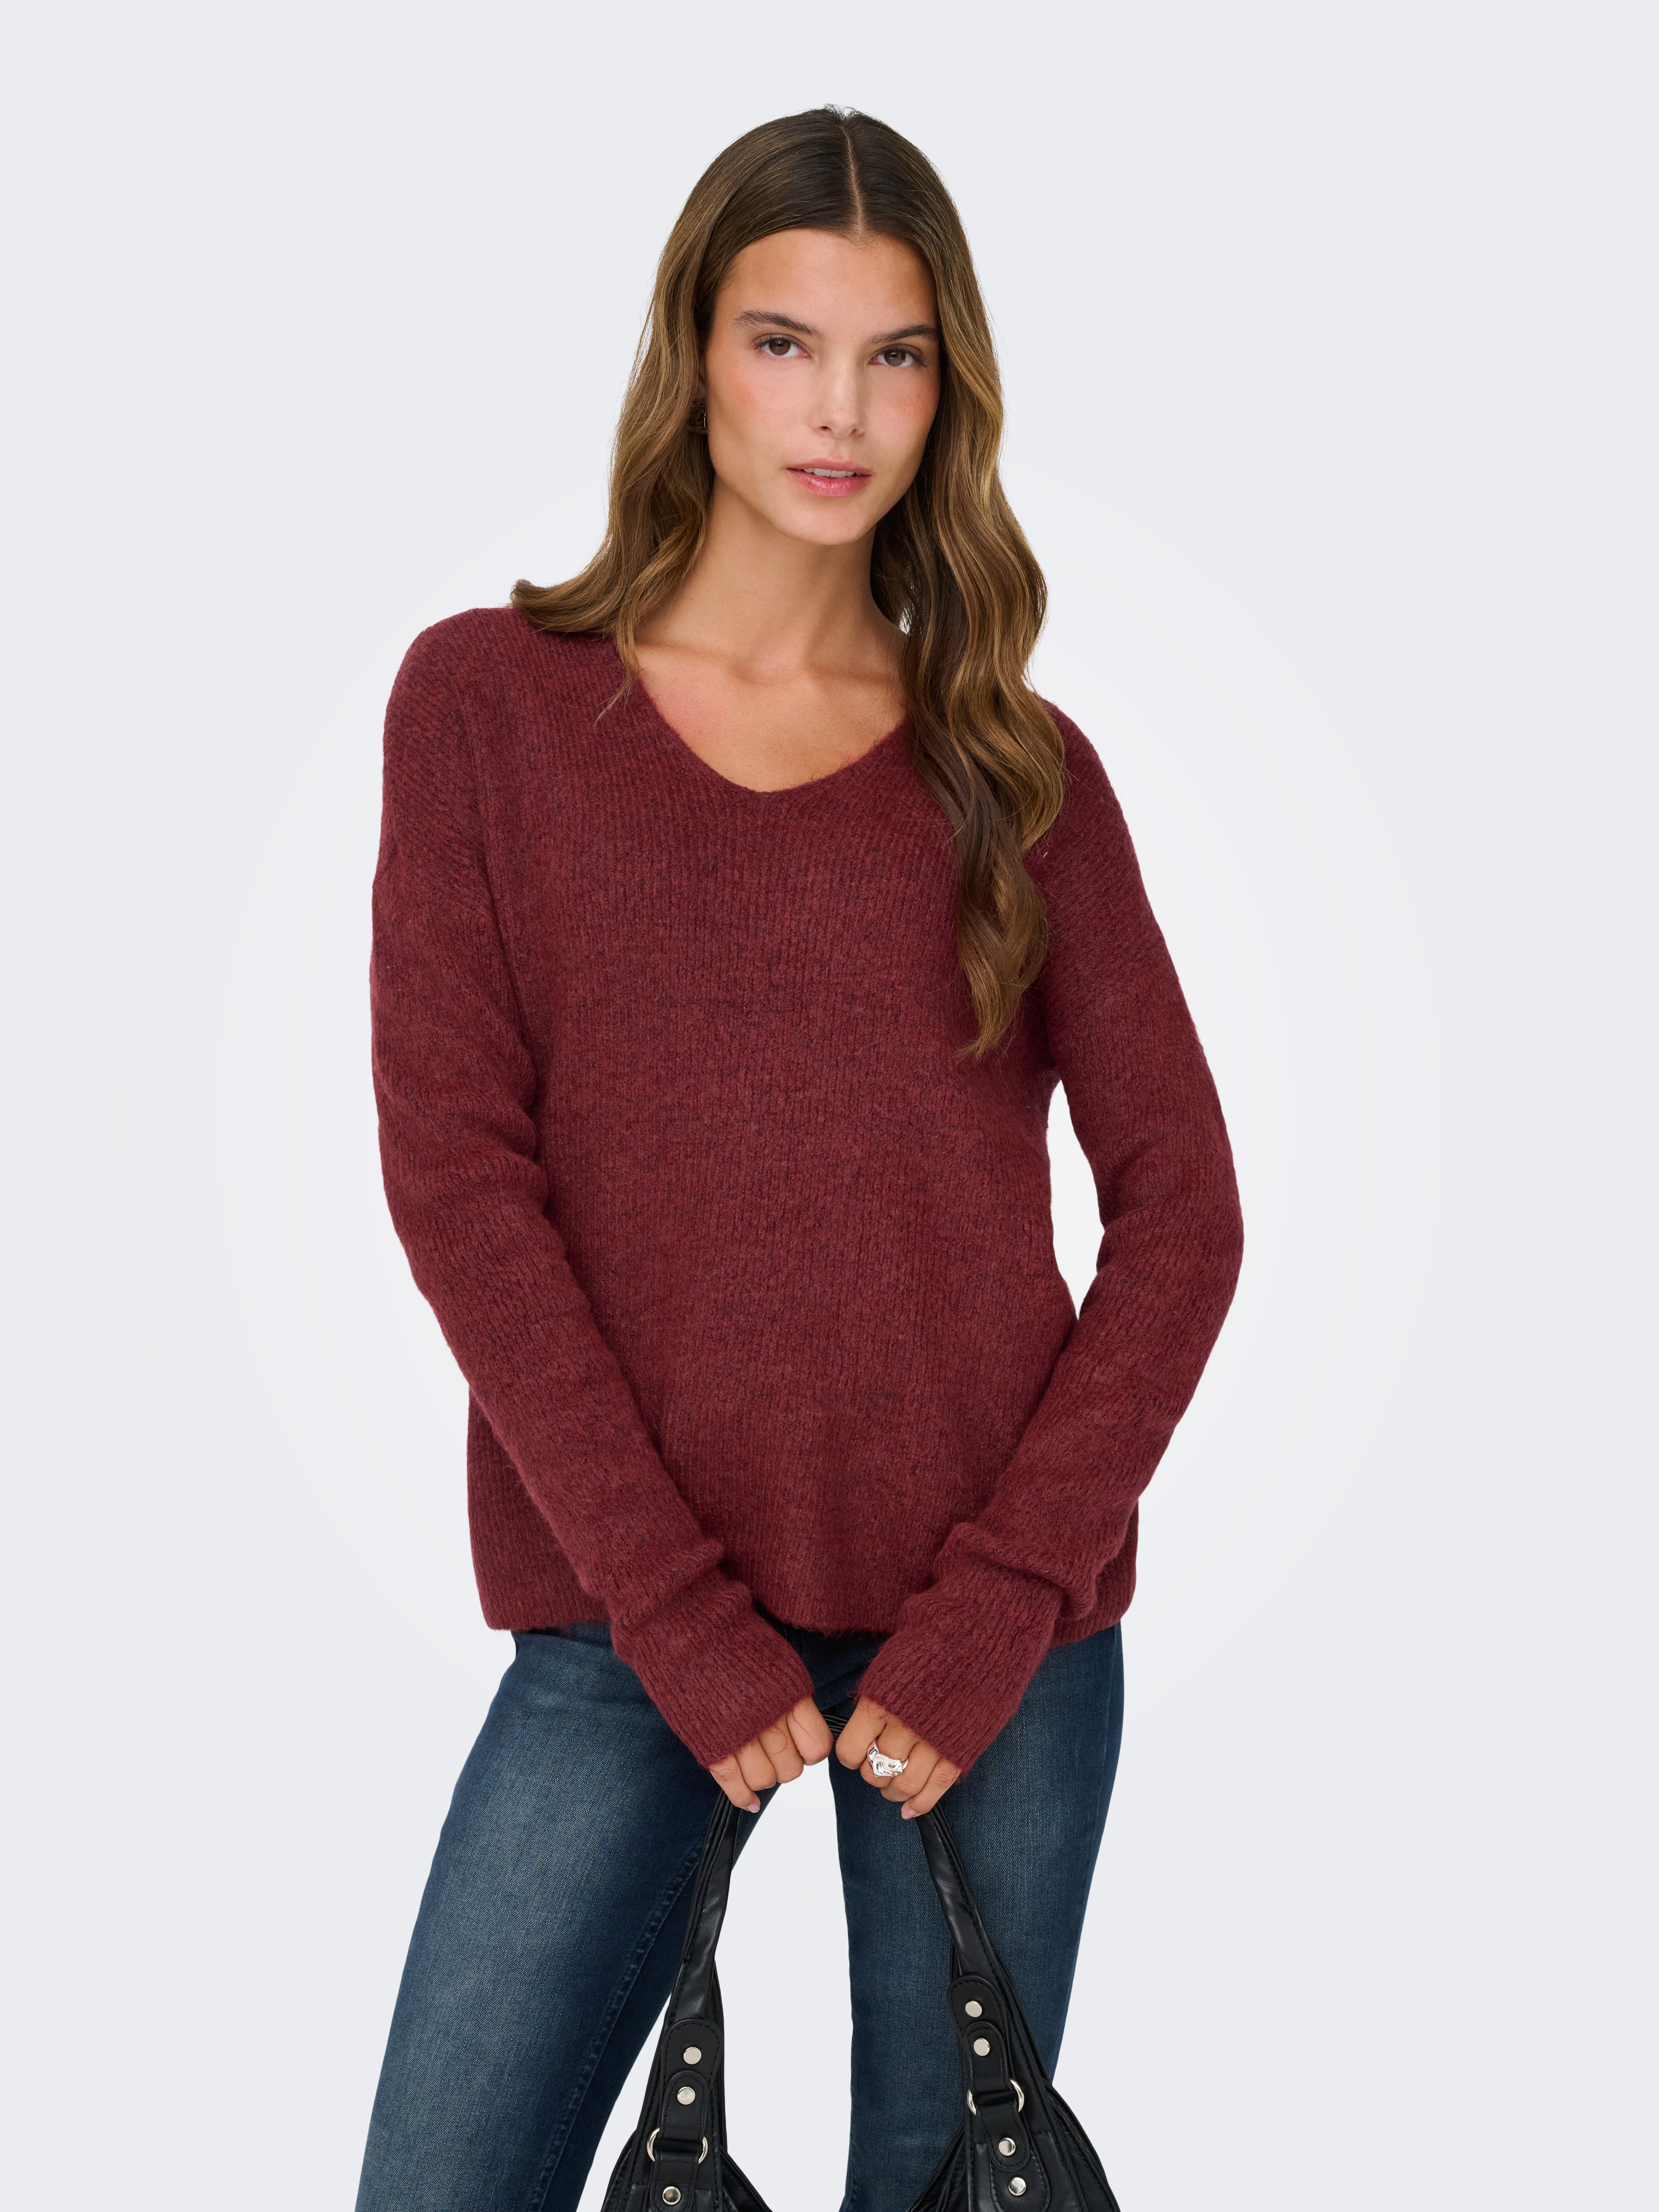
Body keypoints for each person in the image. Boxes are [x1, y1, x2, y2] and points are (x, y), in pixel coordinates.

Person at [356, 105, 1243, 2212]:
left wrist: (1002, 1602)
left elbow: (1186, 1211)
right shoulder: (486, 707)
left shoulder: (1013, 767)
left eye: (893, 356)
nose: (839, 411)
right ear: (695, 352)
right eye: (785, 344)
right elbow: (460, 1180)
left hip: (988, 1650)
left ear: (948, 392)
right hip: (628, 1626)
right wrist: (673, 1611)